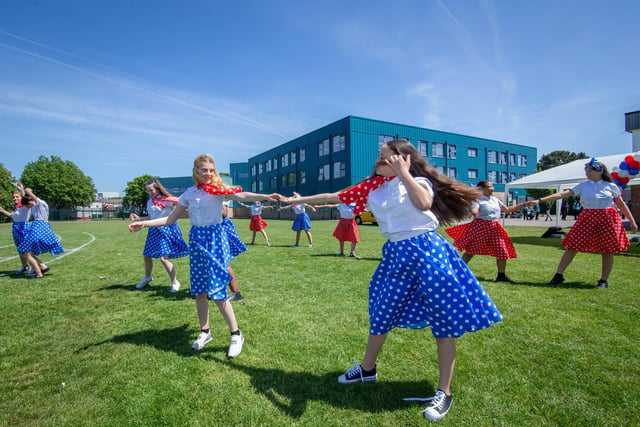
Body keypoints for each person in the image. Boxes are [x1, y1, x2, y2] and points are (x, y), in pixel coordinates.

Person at [278, 140, 502, 421]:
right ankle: (367, 370)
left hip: (426, 251)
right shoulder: (373, 188)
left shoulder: (417, 181)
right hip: (395, 253)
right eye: (379, 157)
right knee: (382, 312)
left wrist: (405, 174)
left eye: (384, 157)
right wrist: (295, 200)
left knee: (444, 320)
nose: (377, 161)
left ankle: (444, 391)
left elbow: (423, 203)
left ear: (402, 159)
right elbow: (336, 195)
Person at [129, 154, 276, 357]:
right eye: (203, 170)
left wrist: (266, 197)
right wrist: (143, 223)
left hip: (215, 240)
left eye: (211, 170)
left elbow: (241, 196)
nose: (208, 173)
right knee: (199, 291)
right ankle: (205, 332)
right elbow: (169, 219)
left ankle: (236, 334)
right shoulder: (188, 194)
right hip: (197, 240)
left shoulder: (218, 191)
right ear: (196, 171)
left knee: (217, 291)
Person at [538, 158, 637, 288]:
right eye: (586, 170)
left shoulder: (611, 186)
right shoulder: (583, 185)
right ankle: (558, 275)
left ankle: (603, 281)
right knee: (572, 246)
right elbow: (563, 194)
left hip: (608, 219)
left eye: (590, 170)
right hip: (587, 217)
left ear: (600, 171)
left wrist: (632, 222)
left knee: (607, 250)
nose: (587, 173)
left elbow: (622, 205)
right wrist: (540, 200)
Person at [445, 181, 535, 283]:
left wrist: (524, 204)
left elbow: (508, 210)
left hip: (495, 227)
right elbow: (474, 209)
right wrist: (474, 212)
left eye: (492, 186)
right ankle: (457, 272)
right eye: (489, 187)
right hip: (480, 227)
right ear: (481, 189)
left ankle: (501, 276)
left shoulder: (495, 199)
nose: (492, 188)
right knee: (471, 251)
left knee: (502, 251)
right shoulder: (477, 200)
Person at [129, 179, 189, 292]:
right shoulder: (150, 202)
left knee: (163, 258)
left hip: (167, 229)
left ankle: (175, 282)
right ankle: (147, 277)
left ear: (158, 188)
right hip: (153, 230)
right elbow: (151, 218)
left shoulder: (169, 200)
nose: (149, 192)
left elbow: (182, 207)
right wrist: (139, 218)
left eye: (151, 190)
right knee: (147, 256)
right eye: (147, 190)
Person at [19, 185, 64, 276]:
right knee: (27, 251)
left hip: (39, 227)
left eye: (28, 205)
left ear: (31, 200)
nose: (28, 207)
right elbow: (27, 199)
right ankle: (42, 267)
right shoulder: (34, 206)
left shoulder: (40, 203)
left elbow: (32, 197)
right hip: (39, 227)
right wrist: (22, 191)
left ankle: (38, 272)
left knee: (26, 250)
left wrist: (29, 192)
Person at [0, 190, 37, 275]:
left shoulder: (25, 205)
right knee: (19, 249)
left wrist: (22, 190)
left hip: (23, 227)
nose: (15, 198)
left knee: (26, 249)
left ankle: (35, 267)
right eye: (13, 197)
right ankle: (25, 266)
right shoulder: (15, 207)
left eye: (17, 196)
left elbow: (28, 202)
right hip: (16, 227)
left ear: (21, 197)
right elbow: (13, 216)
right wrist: (2, 210)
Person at [222, 200, 246, 302]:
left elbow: (223, 213)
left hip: (221, 228)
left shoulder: (219, 194)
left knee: (223, 262)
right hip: (214, 228)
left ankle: (236, 293)